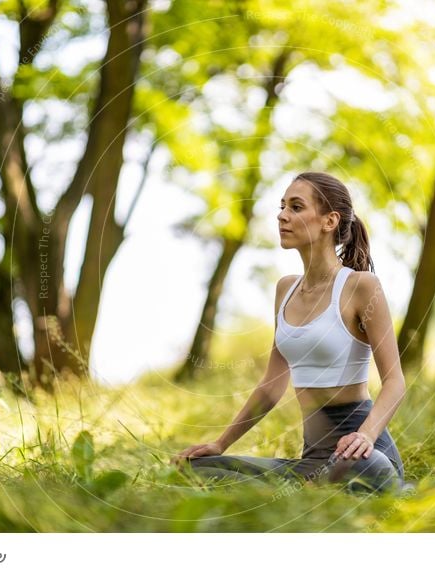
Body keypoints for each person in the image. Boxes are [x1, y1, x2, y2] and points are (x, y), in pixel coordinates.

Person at [171, 171, 407, 494]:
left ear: (329, 221)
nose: (282, 216)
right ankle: (306, 486)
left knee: (367, 469)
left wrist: (365, 435)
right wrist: (220, 443)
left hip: (364, 455)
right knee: (195, 469)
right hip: (313, 458)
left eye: (296, 207)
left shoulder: (361, 287)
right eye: (282, 207)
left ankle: (312, 488)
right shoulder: (285, 289)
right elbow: (271, 387)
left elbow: (395, 382)